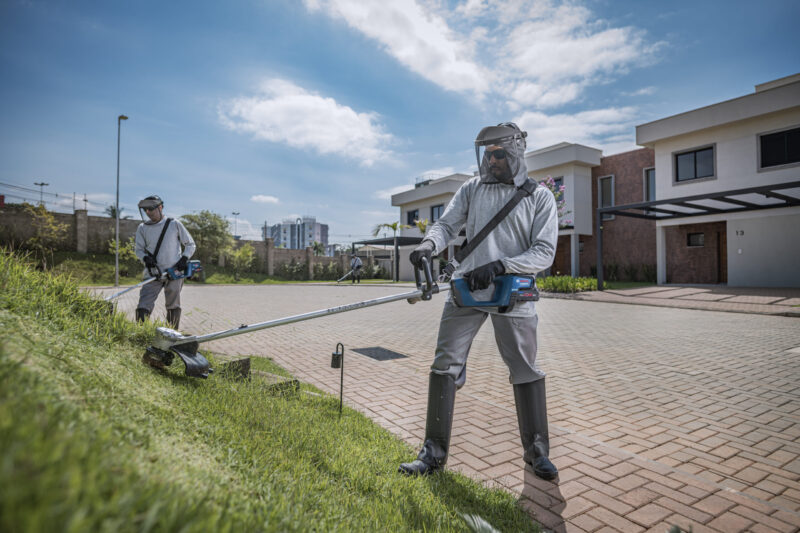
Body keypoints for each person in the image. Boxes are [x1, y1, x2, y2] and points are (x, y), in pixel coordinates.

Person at [398, 122, 559, 480]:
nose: (492, 161)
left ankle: (537, 452)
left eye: (499, 154)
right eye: (488, 154)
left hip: (512, 293)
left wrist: (503, 264)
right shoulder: (472, 189)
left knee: (525, 368)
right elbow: (446, 225)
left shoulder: (539, 197)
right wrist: (428, 245)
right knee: (445, 364)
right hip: (466, 290)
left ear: (516, 152)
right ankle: (432, 455)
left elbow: (544, 252)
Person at [134, 195, 196, 335]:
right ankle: (140, 334)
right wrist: (145, 258)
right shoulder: (142, 228)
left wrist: (184, 259)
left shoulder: (174, 224)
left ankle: (171, 335)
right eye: (146, 210)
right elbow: (138, 249)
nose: (148, 213)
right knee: (144, 303)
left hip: (174, 272)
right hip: (153, 274)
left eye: (151, 209)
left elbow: (190, 244)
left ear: (160, 207)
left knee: (173, 304)